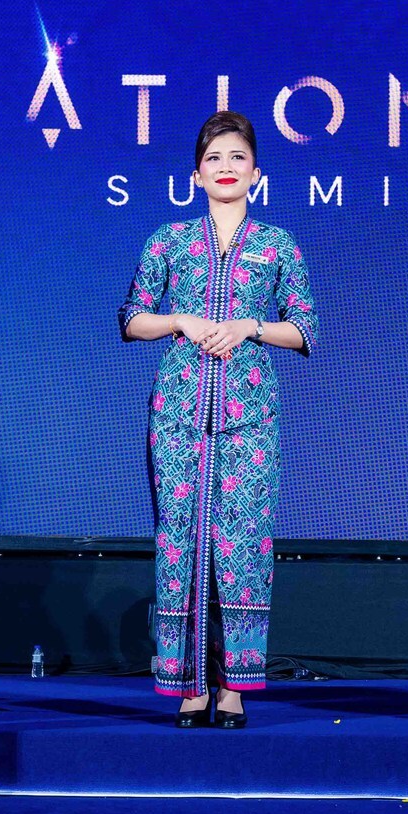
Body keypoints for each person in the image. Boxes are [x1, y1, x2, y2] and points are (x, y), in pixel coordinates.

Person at [120, 111, 321, 726]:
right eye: (214, 158)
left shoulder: (277, 244)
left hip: (250, 414)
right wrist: (180, 320)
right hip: (178, 412)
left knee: (243, 544)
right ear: (196, 174)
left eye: (238, 157)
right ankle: (189, 683)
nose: (226, 168)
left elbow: (304, 328)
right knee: (179, 541)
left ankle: (233, 686)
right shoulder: (169, 240)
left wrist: (250, 327)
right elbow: (132, 319)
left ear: (256, 173)